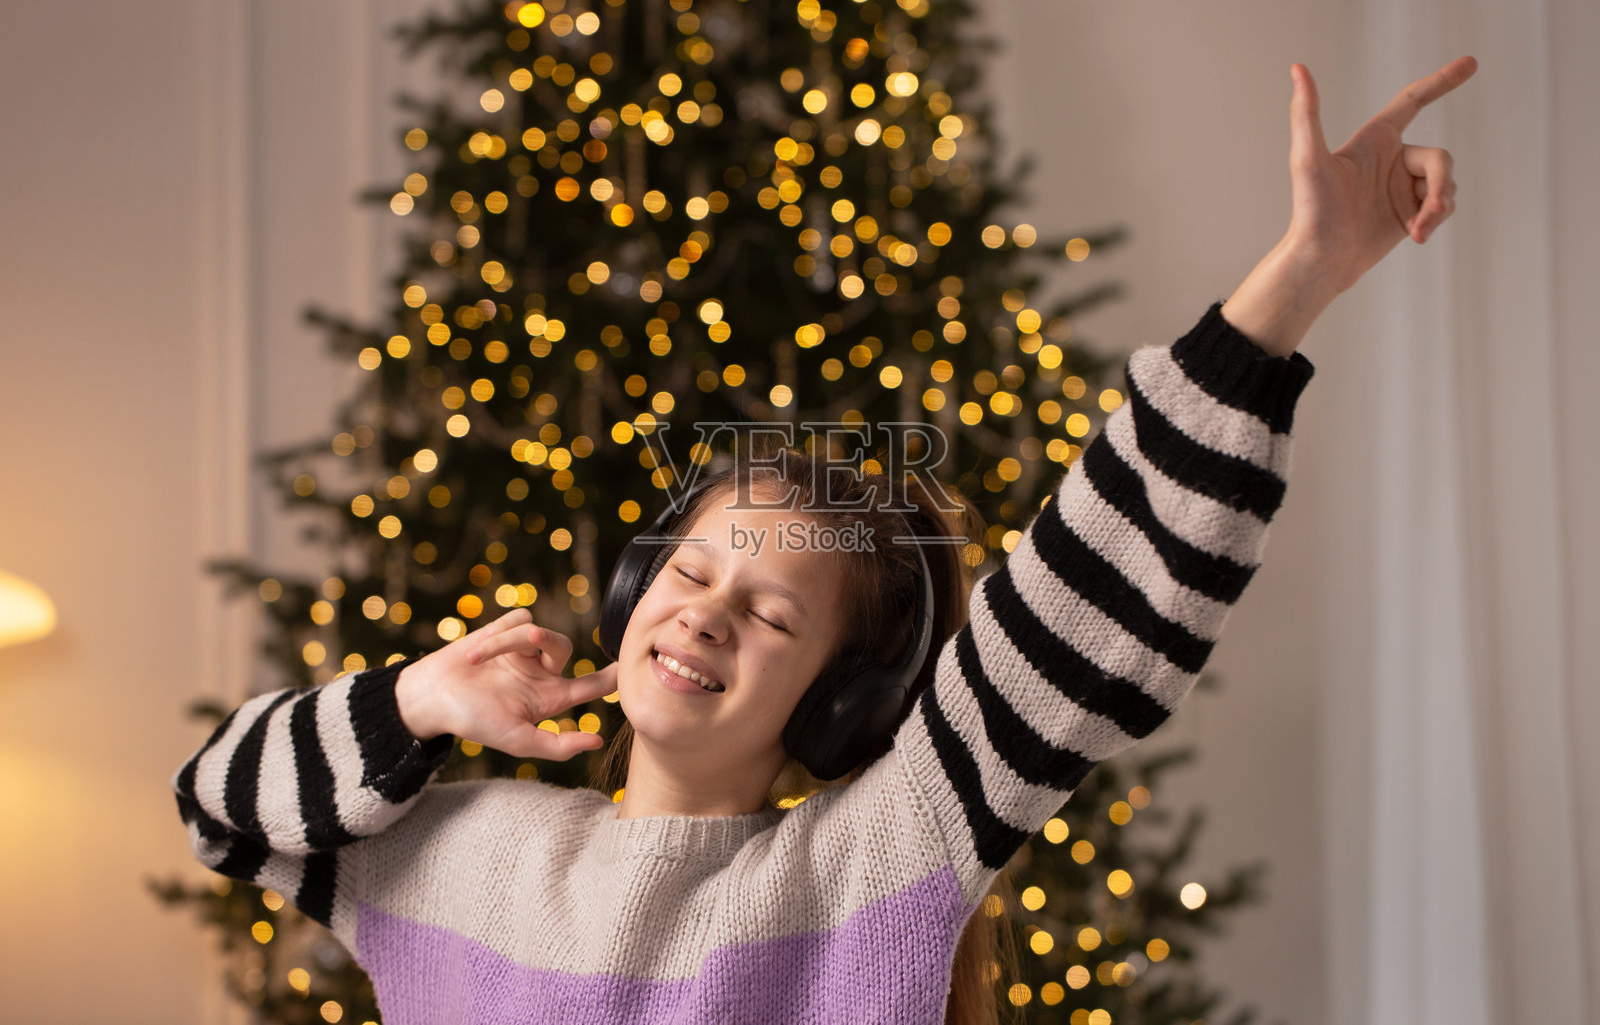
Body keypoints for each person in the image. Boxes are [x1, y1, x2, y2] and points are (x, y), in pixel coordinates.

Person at [172, 57, 1476, 1024]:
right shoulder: (456, 847)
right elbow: (220, 804)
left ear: (841, 696)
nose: (707, 612)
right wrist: (413, 700)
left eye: (776, 615)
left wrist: (1298, 275)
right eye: (691, 571)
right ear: (633, 591)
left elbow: (1091, 600)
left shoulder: (880, 854)